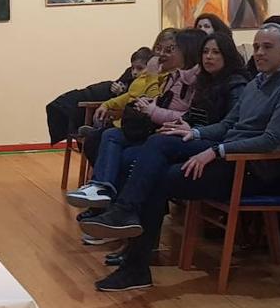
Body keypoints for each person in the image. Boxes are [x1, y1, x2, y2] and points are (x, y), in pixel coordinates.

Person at [81, 24, 280, 291]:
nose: (259, 52)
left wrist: (215, 151)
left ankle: (132, 254)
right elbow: (227, 124)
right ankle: (126, 221)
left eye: (267, 47)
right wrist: (194, 131)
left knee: (157, 178)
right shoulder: (256, 83)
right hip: (227, 152)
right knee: (161, 141)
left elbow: (272, 140)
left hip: (251, 168)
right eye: (257, 46)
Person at [66, 30, 204, 208]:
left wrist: (152, 83)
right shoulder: (161, 74)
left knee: (113, 143)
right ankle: (102, 195)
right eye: (158, 48)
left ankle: (112, 202)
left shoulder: (171, 77)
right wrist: (108, 104)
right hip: (137, 124)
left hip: (155, 130)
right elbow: (134, 94)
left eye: (170, 50)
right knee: (102, 138)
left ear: (185, 52)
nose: (161, 54)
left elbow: (161, 104)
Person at [45, 47, 152, 145]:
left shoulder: (149, 83)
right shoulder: (130, 73)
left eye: (139, 68)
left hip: (114, 107)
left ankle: (95, 131)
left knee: (74, 104)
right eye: (133, 68)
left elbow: (127, 98)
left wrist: (117, 95)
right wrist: (116, 88)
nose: (134, 72)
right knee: (72, 99)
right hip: (104, 93)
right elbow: (120, 87)